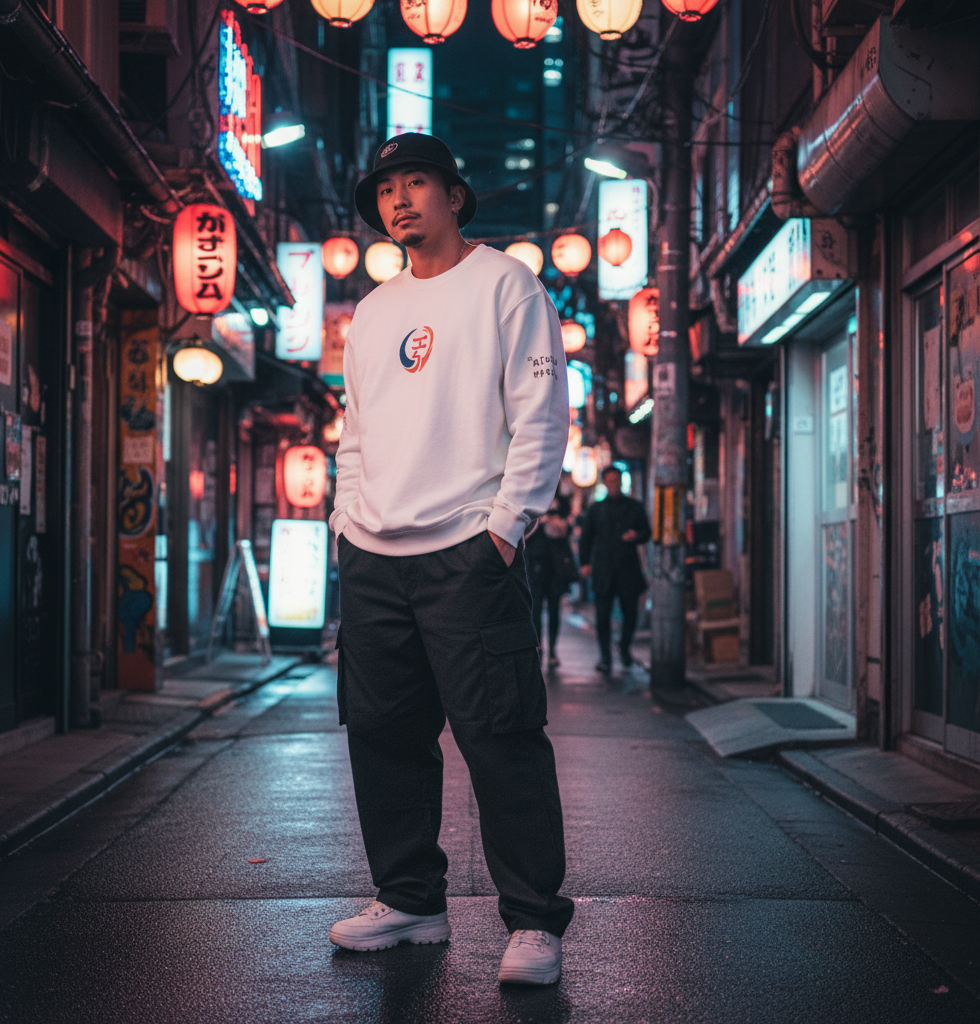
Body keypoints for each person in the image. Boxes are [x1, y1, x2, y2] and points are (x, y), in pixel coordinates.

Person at [328, 133, 574, 986]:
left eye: (418, 183)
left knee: (500, 734)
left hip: (468, 550)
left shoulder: (507, 284)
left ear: (455, 196)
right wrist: (344, 520)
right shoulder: (373, 309)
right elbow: (354, 433)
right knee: (384, 736)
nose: (400, 200)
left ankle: (535, 920)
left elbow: (541, 412)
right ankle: (410, 901)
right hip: (372, 554)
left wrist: (508, 526)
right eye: (387, 188)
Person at [579, 465, 650, 673]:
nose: (613, 484)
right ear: (604, 483)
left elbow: (646, 532)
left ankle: (625, 647)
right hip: (603, 568)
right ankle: (605, 657)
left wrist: (635, 536)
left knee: (630, 613)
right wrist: (585, 563)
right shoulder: (596, 509)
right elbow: (586, 538)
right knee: (602, 615)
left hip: (628, 567)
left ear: (621, 482)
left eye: (616, 480)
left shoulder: (635, 507)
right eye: (609, 480)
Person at [525, 495, 577, 668]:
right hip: (535, 565)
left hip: (557, 567)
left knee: (555, 609)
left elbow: (569, 530)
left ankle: (553, 650)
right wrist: (541, 522)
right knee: (536, 609)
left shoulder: (562, 502)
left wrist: (559, 524)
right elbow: (524, 534)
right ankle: (538, 647)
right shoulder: (531, 498)